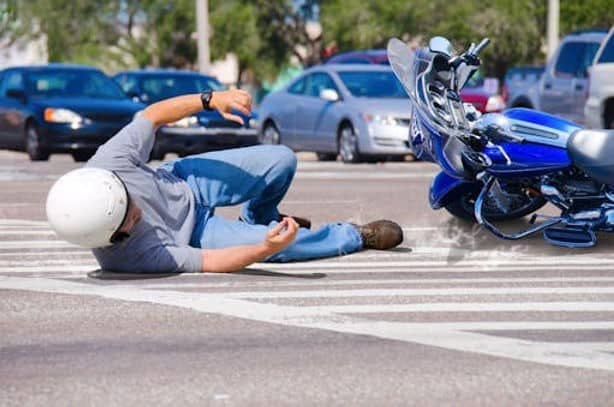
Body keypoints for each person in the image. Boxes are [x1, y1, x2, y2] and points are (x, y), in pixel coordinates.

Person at [45, 89, 403, 273]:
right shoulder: (127, 259)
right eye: (127, 223)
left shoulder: (107, 163)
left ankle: (260, 217)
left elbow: (152, 116)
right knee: (285, 248)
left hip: (187, 182)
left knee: (282, 159)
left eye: (128, 202)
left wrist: (211, 99)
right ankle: (355, 235)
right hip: (197, 234)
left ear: (113, 184)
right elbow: (211, 263)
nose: (136, 213)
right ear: (111, 239)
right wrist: (265, 249)